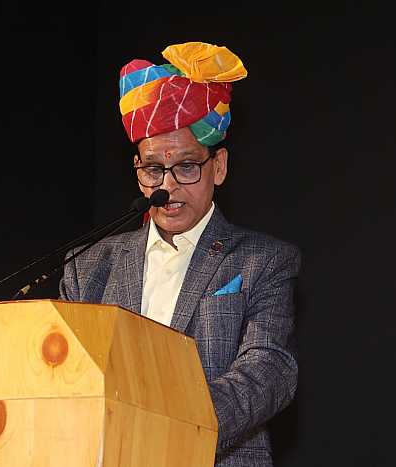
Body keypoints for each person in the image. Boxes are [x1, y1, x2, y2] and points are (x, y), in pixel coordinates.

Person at [59, 42, 300, 466]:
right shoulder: (89, 266)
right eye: (154, 169)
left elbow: (268, 369)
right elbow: (67, 378)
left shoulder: (263, 260)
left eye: (186, 167)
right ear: (138, 171)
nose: (167, 187)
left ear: (218, 167)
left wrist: (171, 422)